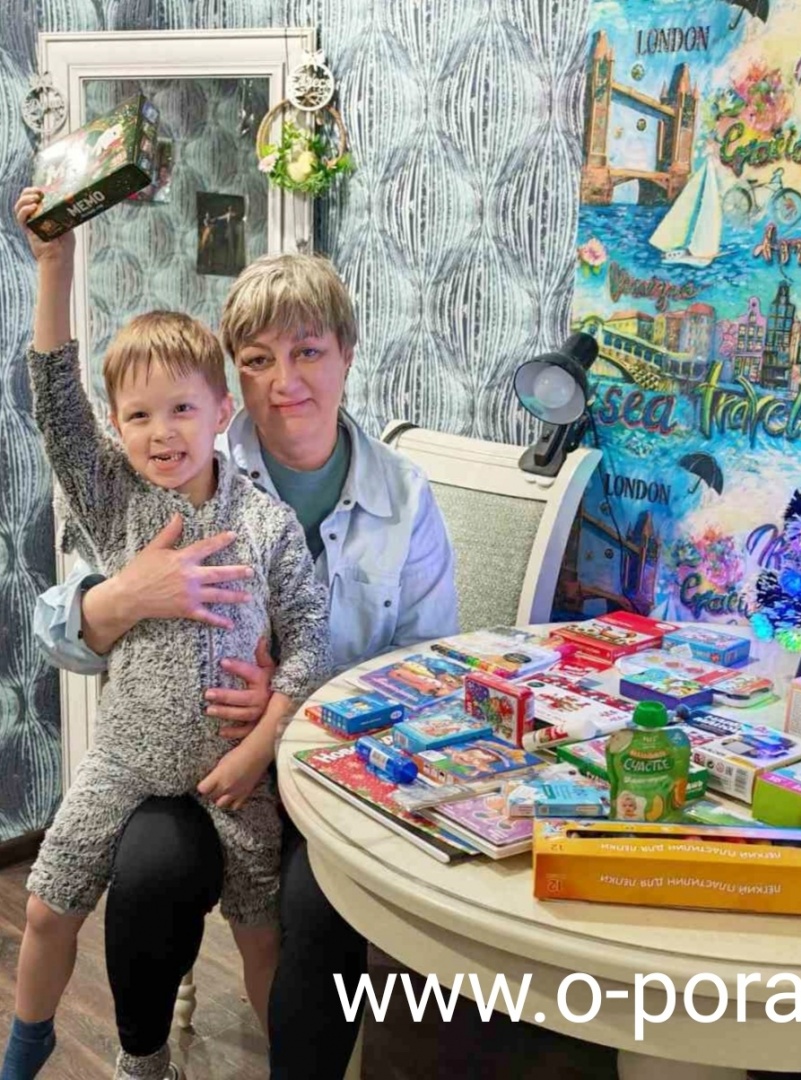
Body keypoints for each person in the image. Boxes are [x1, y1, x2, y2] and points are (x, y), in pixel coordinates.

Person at [34, 247, 460, 1079]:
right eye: (258, 360)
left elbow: (423, 674)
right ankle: (142, 1058)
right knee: (149, 870)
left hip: (330, 770)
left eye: (308, 352)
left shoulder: (405, 499)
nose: (284, 381)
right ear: (235, 378)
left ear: (347, 354)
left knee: (316, 909)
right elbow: (61, 630)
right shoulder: (178, 457)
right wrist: (123, 598)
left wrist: (286, 709)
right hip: (195, 769)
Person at [6, 188, 331, 1080]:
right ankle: (31, 1054)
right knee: (46, 907)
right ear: (116, 427)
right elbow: (54, 402)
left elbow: (309, 641)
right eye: (139, 416)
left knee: (261, 938)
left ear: (221, 412)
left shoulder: (264, 524)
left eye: (182, 410)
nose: (161, 433)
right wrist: (55, 264)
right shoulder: (113, 502)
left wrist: (259, 747)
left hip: (235, 779)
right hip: (122, 764)